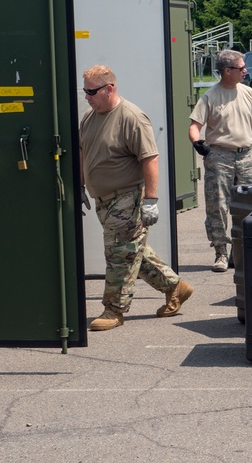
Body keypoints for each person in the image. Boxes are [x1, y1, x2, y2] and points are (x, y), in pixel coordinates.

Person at [79, 65, 193, 331]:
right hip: (104, 201)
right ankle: (175, 286)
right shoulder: (89, 117)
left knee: (119, 256)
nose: (87, 96)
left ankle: (114, 310)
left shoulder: (131, 117)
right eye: (85, 91)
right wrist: (81, 185)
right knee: (131, 250)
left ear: (109, 89)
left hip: (127, 197)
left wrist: (150, 200)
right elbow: (83, 151)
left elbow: (149, 159)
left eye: (92, 91)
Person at [189, 49, 252, 272]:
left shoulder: (248, 93)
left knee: (248, 206)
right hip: (219, 157)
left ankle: (240, 252)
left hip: (246, 156)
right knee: (218, 206)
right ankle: (221, 253)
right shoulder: (210, 96)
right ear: (227, 71)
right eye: (241, 68)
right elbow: (194, 126)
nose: (245, 71)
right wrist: (197, 142)